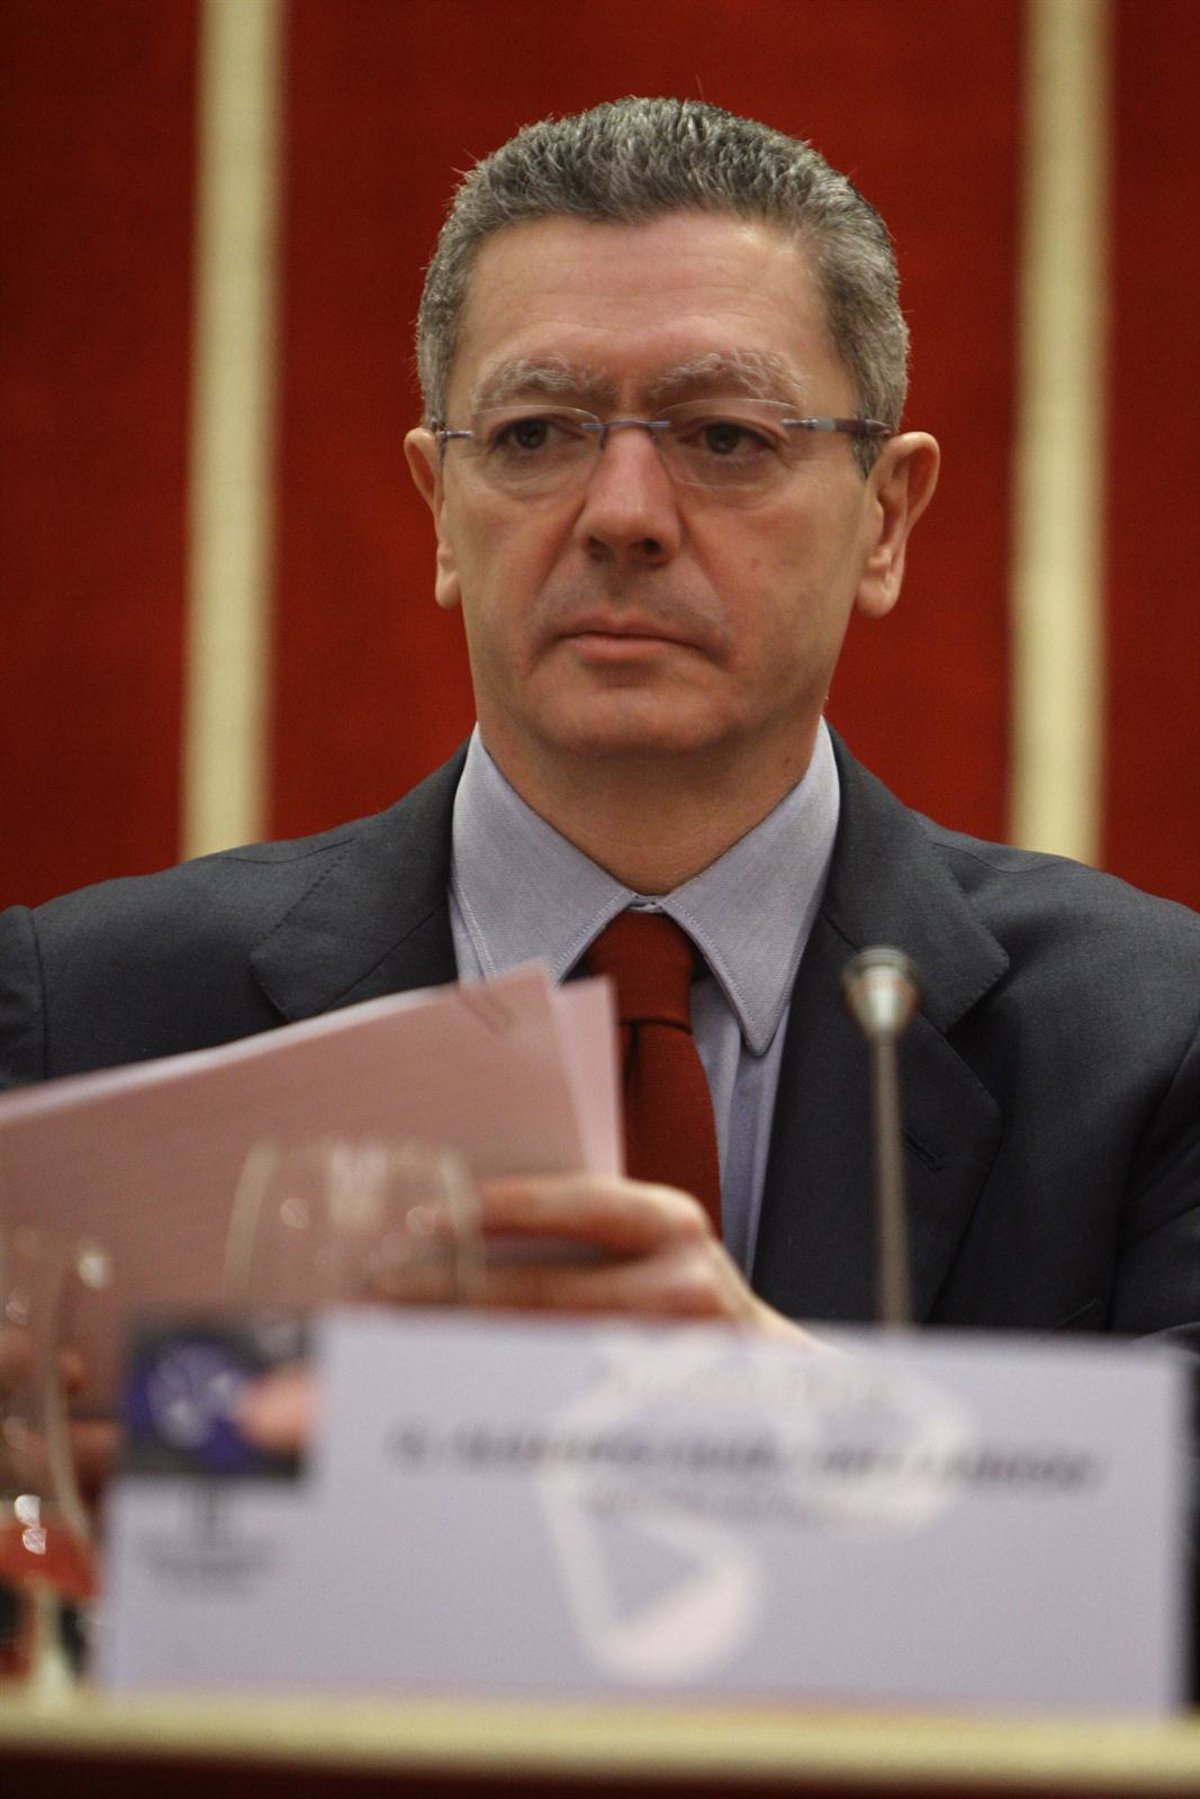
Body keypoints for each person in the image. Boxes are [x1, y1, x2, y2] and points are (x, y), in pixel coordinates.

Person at [1, 98, 1197, 1346]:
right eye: (534, 434)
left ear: (886, 519)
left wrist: (777, 1411)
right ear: (440, 508)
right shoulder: (92, 1023)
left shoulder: (1150, 1043)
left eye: (725, 436)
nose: (624, 514)